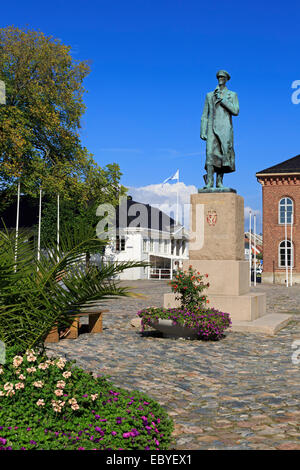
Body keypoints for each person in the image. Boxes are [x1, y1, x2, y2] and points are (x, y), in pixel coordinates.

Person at [200, 70, 239, 189]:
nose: (220, 79)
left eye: (223, 77)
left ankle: (219, 182)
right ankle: (209, 182)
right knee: (210, 154)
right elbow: (204, 114)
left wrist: (222, 99)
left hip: (225, 128)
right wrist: (203, 130)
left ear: (227, 79)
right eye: (219, 77)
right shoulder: (209, 95)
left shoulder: (232, 95)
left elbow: (235, 110)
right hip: (211, 128)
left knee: (223, 154)